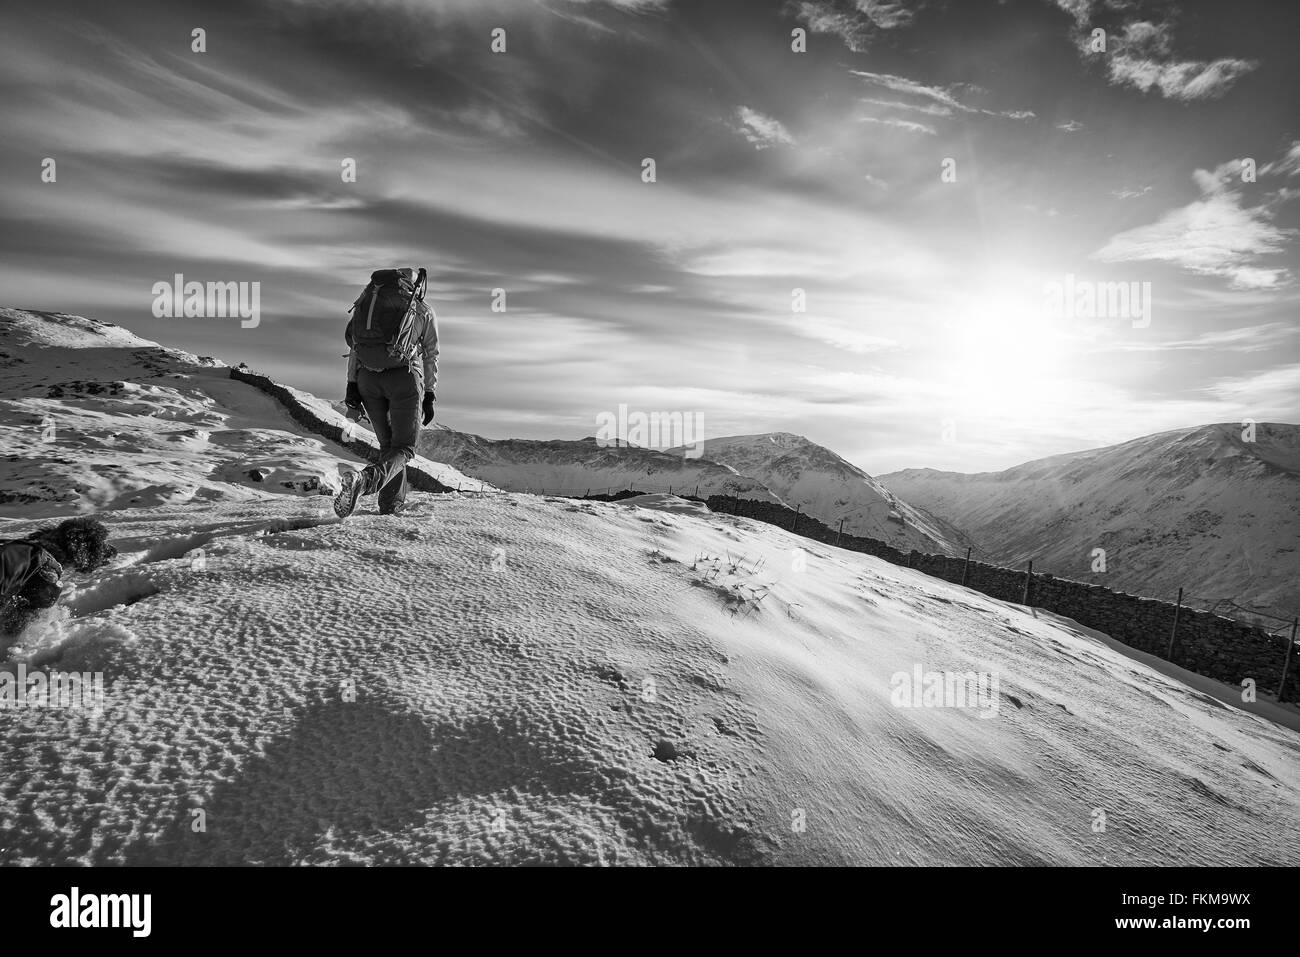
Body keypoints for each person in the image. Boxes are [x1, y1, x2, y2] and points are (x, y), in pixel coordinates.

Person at [335, 267, 439, 518]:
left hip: (367, 379)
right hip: (403, 378)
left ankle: (391, 506)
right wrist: (430, 393)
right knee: (404, 448)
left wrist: (352, 386)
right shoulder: (421, 310)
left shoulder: (366, 304)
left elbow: (356, 347)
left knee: (389, 446)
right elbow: (430, 353)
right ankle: (365, 481)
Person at [1, 517, 116, 638]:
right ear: (86, 550)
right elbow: (22, 624)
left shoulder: (21, 549)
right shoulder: (46, 571)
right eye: (101, 545)